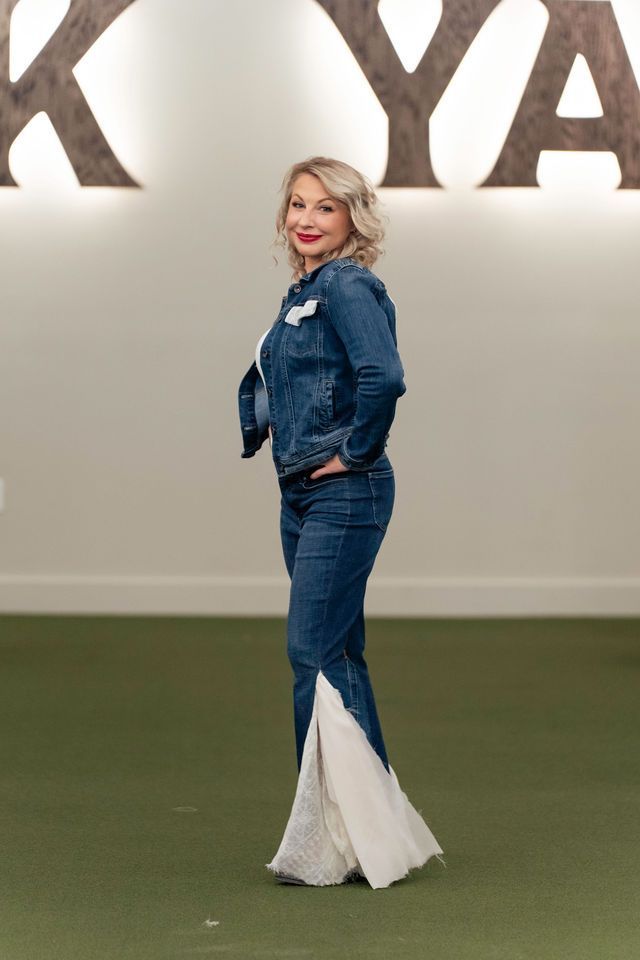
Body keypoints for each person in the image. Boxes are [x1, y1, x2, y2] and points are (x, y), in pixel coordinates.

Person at [238, 157, 445, 888]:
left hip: (343, 495)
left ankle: (331, 838)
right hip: (303, 494)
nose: (306, 218)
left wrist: (354, 452)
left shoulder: (349, 285)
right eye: (297, 203)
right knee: (339, 655)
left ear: (353, 218)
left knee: (312, 653)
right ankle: (369, 836)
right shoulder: (307, 289)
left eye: (325, 208)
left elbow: (384, 377)